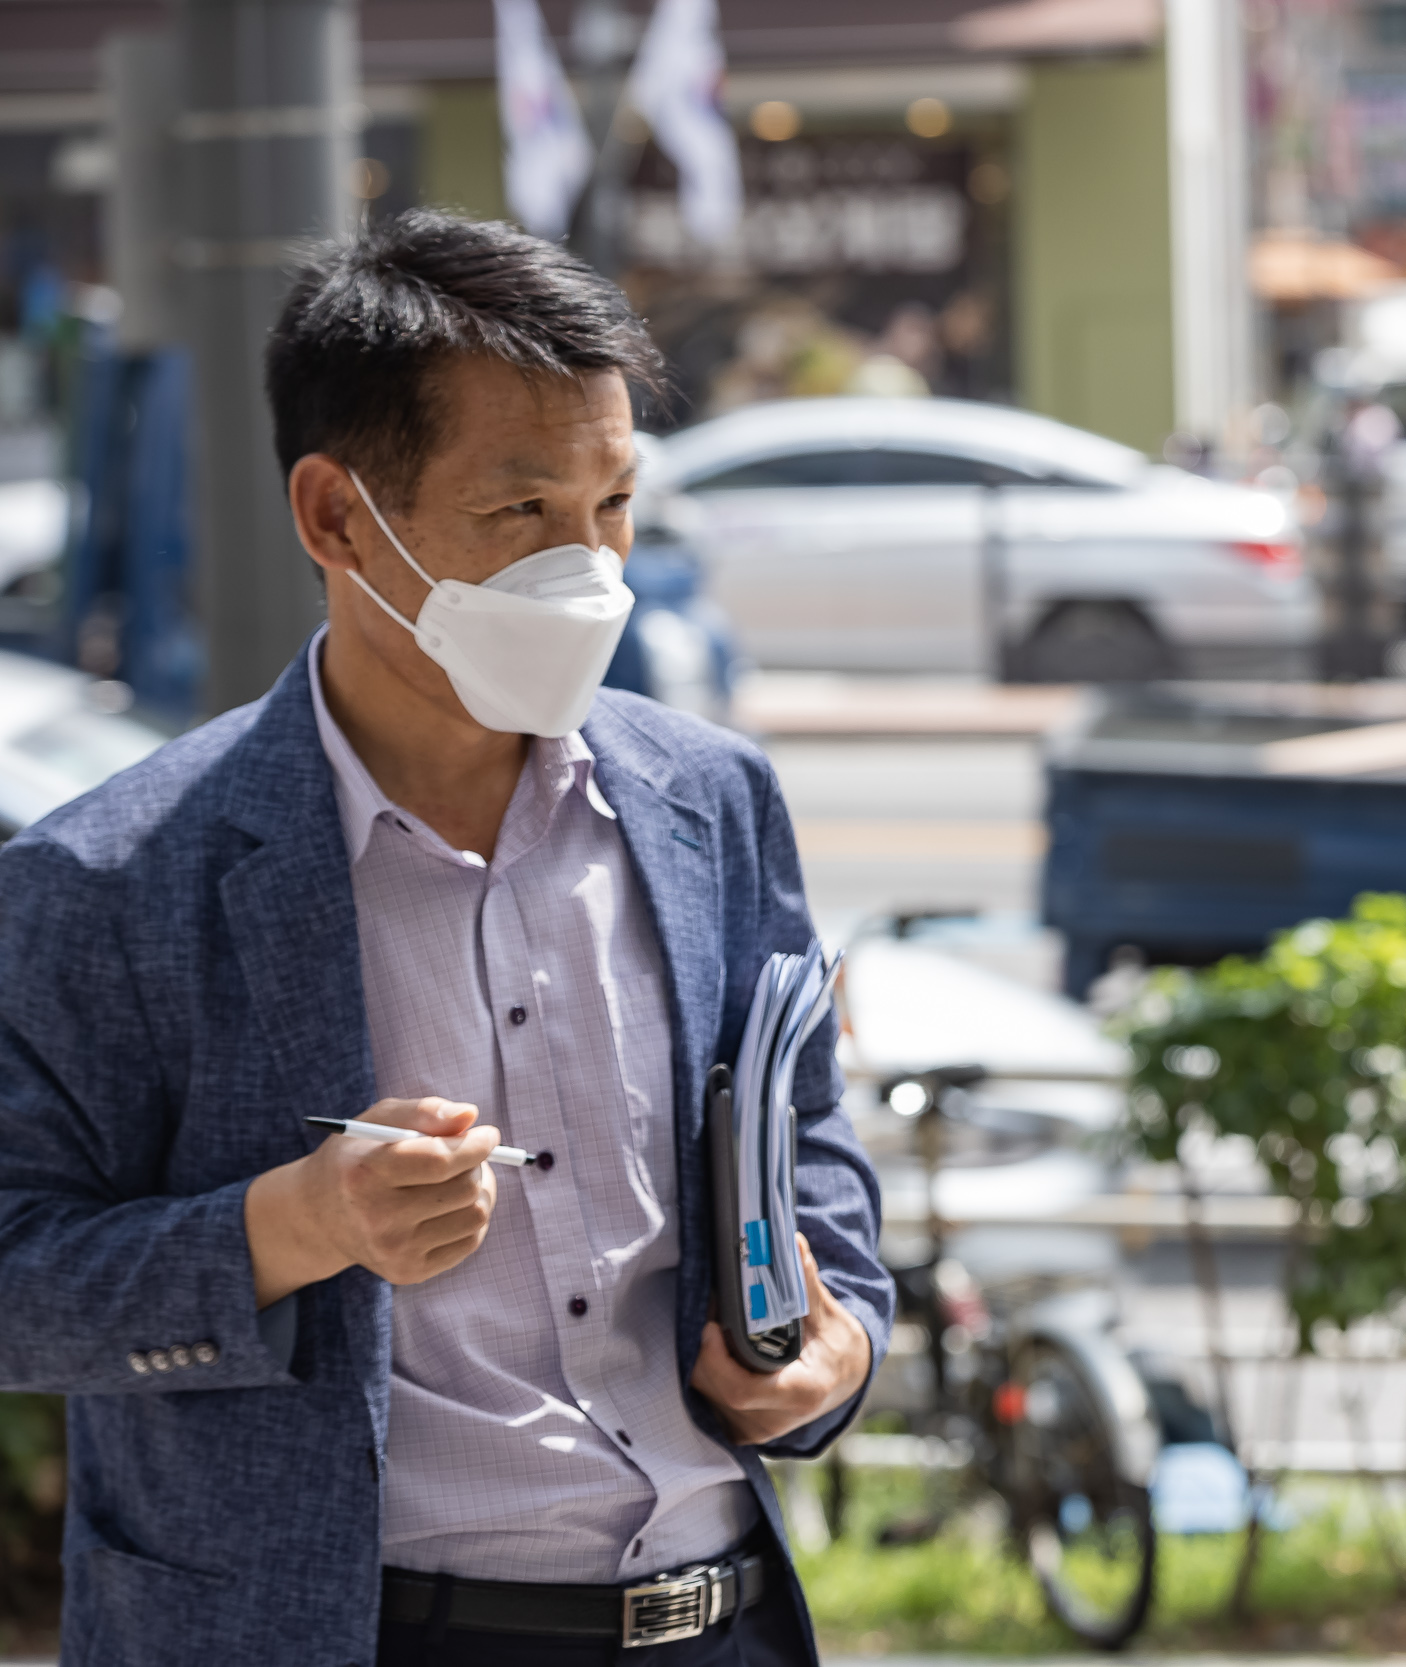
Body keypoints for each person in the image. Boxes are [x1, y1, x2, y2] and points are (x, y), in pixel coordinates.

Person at [0, 210, 894, 1666]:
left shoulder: (712, 801)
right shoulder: (112, 878)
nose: (590, 569)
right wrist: (297, 1225)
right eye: (521, 514)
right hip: (351, 1632)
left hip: (715, 1618)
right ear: (337, 519)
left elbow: (803, 1141)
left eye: (612, 506)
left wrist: (833, 1345)